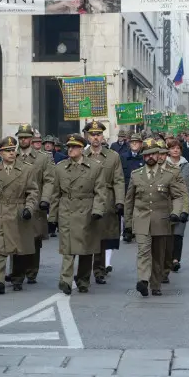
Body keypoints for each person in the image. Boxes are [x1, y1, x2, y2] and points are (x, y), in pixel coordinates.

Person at [123, 139, 189, 297]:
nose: (150, 157)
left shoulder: (168, 175)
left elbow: (178, 196)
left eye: (153, 154)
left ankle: (155, 284)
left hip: (161, 219)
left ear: (158, 155)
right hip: (141, 219)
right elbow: (129, 200)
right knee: (143, 251)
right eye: (146, 155)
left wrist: (177, 212)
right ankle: (143, 281)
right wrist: (127, 224)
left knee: (158, 254)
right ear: (143, 157)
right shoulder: (136, 175)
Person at [49, 134, 107, 295]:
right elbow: (55, 194)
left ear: (82, 149)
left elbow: (101, 192)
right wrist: (52, 217)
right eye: (69, 147)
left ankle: (83, 280)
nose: (70, 150)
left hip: (86, 210)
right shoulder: (60, 167)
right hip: (67, 209)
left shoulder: (95, 167)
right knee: (68, 248)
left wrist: (97, 210)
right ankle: (65, 280)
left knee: (86, 249)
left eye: (74, 147)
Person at [0, 136, 39, 293]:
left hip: (18, 211)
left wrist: (29, 208)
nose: (11, 153)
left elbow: (33, 192)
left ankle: (17, 278)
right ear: (0, 153)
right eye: (7, 151)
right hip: (0, 212)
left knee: (18, 249)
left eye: (13, 150)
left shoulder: (27, 169)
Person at [82, 121, 125, 284]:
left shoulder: (113, 156)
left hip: (106, 199)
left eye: (98, 134)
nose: (95, 138)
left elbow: (119, 181)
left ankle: (99, 270)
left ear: (103, 136)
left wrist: (119, 201)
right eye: (92, 134)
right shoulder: (81, 155)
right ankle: (84, 271)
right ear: (87, 136)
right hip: (85, 199)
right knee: (86, 237)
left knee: (101, 236)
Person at [16, 124, 55, 285]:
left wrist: (45, 199)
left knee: (34, 239)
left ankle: (31, 271)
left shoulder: (43, 158)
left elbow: (49, 180)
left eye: (26, 137)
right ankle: (17, 273)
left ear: (32, 139)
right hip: (17, 202)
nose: (23, 140)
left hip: (37, 202)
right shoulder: (12, 155)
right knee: (16, 238)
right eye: (20, 137)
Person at [165, 139, 189, 273]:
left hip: (184, 205)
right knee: (168, 234)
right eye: (172, 148)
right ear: (168, 150)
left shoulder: (187, 166)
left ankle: (175, 260)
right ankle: (167, 259)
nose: (175, 150)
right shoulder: (163, 165)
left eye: (177, 148)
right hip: (167, 204)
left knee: (178, 234)